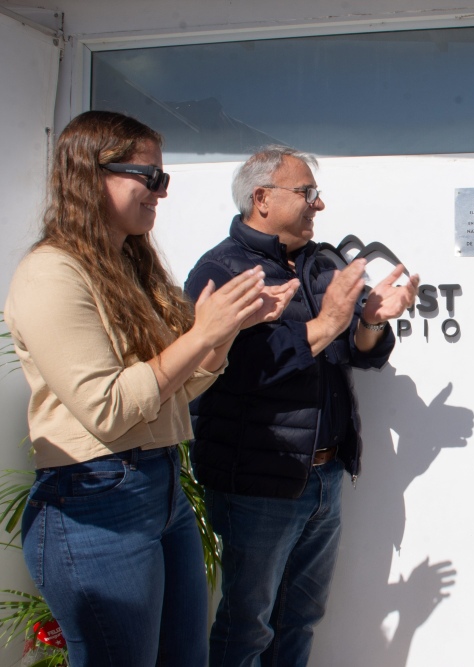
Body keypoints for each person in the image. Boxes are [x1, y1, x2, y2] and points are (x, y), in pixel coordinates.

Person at [3, 111, 296, 666]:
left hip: (158, 488)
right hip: (92, 499)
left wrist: (226, 331)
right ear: (92, 174)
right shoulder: (51, 274)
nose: (162, 192)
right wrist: (202, 332)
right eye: (151, 176)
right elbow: (108, 410)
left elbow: (175, 392)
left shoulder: (128, 267)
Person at [184, 145, 419, 667]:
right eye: (307, 192)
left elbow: (358, 356)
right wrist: (331, 321)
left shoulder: (318, 264)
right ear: (262, 198)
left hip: (324, 475)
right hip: (259, 483)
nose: (319, 205)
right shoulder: (221, 270)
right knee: (247, 626)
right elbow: (236, 372)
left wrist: (370, 320)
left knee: (301, 618)